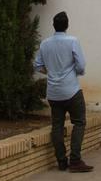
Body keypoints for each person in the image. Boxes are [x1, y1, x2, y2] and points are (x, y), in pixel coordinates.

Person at [34, 11, 93, 172]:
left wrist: (52, 72)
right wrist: (74, 72)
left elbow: (37, 65)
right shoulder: (73, 41)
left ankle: (61, 161)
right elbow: (81, 66)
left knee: (57, 126)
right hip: (72, 90)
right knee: (79, 122)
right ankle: (75, 161)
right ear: (67, 25)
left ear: (54, 25)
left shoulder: (45, 44)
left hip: (53, 92)